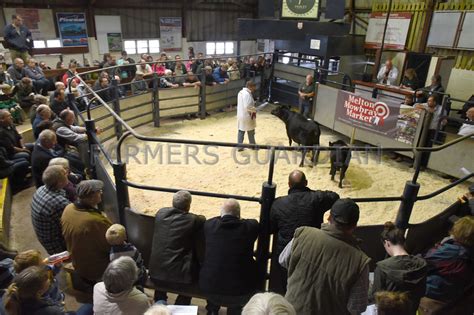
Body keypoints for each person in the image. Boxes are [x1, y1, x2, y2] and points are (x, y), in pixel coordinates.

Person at [280, 198, 370, 315]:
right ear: (354, 226)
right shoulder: (360, 262)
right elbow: (357, 307)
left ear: (328, 217)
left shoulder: (303, 233)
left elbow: (282, 260)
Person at [270, 170, 339, 291]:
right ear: (306, 183)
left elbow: (271, 228)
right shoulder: (316, 199)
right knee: (310, 284)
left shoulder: (278, 204)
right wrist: (311, 195)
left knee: (287, 285)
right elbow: (334, 196)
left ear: (288, 184)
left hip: (286, 253)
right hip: (312, 250)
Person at [200, 199, 259, 315]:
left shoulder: (210, 225)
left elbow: (213, 220)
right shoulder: (250, 227)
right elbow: (253, 222)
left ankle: (212, 310)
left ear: (221, 213)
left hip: (210, 288)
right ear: (239, 214)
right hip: (240, 291)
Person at [148, 190, 205, 305]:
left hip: (155, 273)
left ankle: (160, 303)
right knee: (189, 275)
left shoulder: (161, 213)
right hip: (180, 279)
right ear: (188, 206)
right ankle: (181, 305)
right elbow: (202, 219)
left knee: (163, 270)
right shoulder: (194, 220)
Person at [418, 216, 474, 315]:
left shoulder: (450, 251)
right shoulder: (467, 251)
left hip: (434, 298)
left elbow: (420, 262)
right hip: (457, 298)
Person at [61, 180, 112, 285]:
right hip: (95, 268)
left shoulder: (69, 208)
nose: (101, 193)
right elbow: (110, 244)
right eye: (98, 191)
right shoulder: (93, 221)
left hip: (77, 260)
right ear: (92, 197)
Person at [370, 222, 427, 314]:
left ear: (387, 243)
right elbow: (422, 292)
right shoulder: (422, 264)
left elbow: (376, 297)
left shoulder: (382, 268)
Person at [31, 165, 70, 255]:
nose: (67, 174)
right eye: (65, 173)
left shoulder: (41, 189)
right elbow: (72, 224)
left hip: (45, 239)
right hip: (58, 247)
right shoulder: (59, 203)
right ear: (59, 182)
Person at [105, 224, 147, 289]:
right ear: (125, 237)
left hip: (123, 277)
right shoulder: (133, 250)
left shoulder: (112, 254)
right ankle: (140, 286)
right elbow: (139, 261)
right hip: (135, 275)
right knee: (142, 269)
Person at [237, 80, 257, 150]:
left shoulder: (241, 92)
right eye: (254, 87)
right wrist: (254, 110)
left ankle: (239, 146)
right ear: (250, 87)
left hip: (241, 114)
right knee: (251, 130)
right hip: (247, 115)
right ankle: (253, 146)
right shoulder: (247, 94)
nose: (255, 89)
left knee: (241, 130)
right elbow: (247, 106)